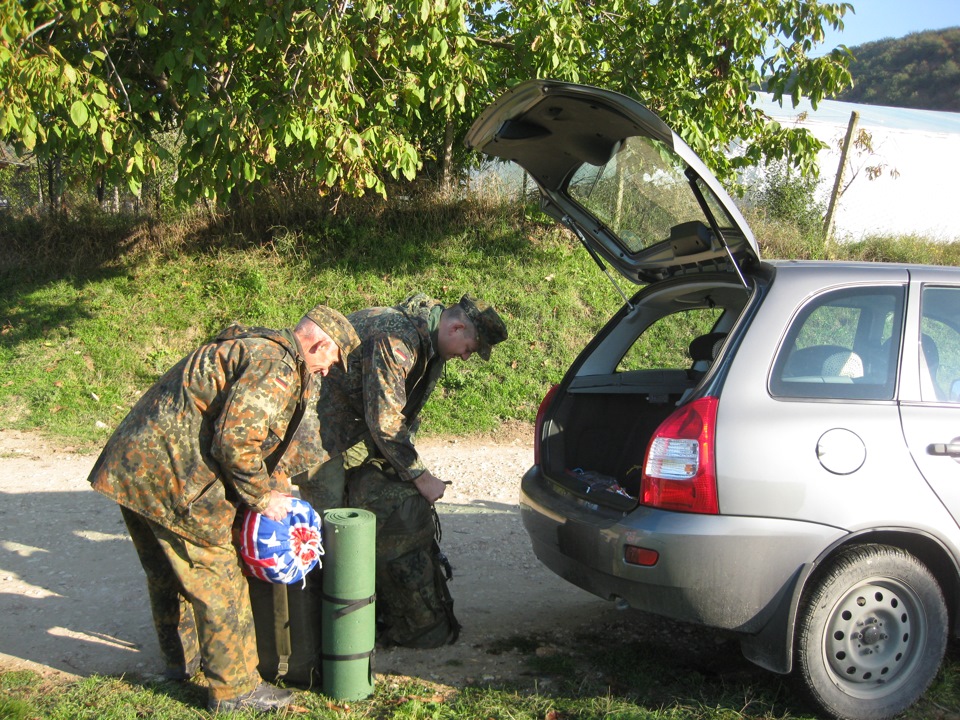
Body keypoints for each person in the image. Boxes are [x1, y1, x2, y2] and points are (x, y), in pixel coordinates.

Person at [87, 305, 359, 713]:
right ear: (319, 343)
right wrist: (263, 498)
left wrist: (272, 482)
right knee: (221, 581)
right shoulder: (278, 364)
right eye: (330, 359)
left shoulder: (252, 345)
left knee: (166, 573)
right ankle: (236, 692)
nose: (327, 370)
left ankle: (180, 664)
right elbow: (235, 442)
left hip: (132, 470)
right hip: (175, 482)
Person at [281, 293, 508, 648]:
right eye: (469, 347)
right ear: (457, 326)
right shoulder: (396, 338)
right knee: (332, 529)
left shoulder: (431, 347)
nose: (466, 356)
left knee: (370, 513)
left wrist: (398, 467)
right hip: (315, 428)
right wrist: (420, 475)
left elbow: (405, 415)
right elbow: (385, 422)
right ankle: (325, 637)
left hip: (354, 425)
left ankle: (372, 612)